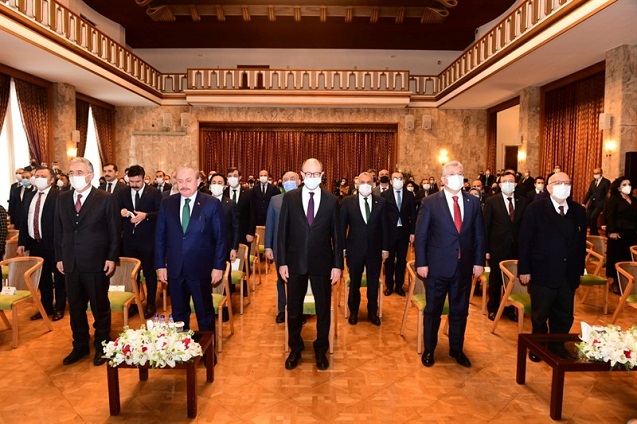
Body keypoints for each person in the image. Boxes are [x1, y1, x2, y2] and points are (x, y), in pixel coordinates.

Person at [414, 160, 485, 368]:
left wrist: (479, 261)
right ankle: (429, 349)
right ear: (443, 180)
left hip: (463, 268)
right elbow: (421, 236)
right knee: (433, 311)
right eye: (452, 174)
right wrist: (421, 263)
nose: (457, 177)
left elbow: (479, 235)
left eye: (460, 173)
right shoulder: (430, 202)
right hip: (436, 267)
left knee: (460, 311)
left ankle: (457, 349)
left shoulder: (473, 203)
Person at [278, 158, 343, 371]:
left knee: (323, 310)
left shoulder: (331, 201)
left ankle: (320, 349)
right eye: (308, 174)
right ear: (302, 175)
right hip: (294, 263)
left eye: (316, 174)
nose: (312, 178)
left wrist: (337, 265)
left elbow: (337, 236)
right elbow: (282, 233)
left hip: (322, 263)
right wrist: (282, 262)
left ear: (322, 175)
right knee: (294, 310)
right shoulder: (290, 198)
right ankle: (295, 348)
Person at [55, 157, 121, 366]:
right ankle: (80, 345)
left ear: (90, 175)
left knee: (100, 306)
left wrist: (111, 257)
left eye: (79, 172)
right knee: (75, 307)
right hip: (70, 262)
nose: (74, 176)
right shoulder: (62, 198)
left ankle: (102, 344)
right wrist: (59, 257)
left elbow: (114, 231)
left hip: (96, 262)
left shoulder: (105, 198)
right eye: (71, 173)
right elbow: (58, 230)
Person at [518, 171, 587, 361]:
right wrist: (524, 269)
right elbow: (525, 241)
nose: (563, 186)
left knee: (564, 314)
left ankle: (558, 345)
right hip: (543, 270)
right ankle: (538, 345)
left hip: (568, 272)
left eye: (567, 183)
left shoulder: (578, 211)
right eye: (558, 183)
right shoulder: (535, 209)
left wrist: (579, 269)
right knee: (540, 313)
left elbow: (581, 243)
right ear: (549, 187)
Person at [155, 167, 227, 335]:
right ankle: (181, 347)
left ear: (198, 181)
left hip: (201, 268)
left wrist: (218, 267)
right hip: (175, 269)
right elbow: (160, 236)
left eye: (188, 180)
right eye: (180, 181)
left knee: (204, 313)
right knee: (179, 314)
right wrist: (160, 265)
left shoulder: (211, 203)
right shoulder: (167, 203)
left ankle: (208, 348)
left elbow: (221, 238)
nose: (184, 185)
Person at [17, 166, 66, 321]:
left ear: (51, 180)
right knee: (42, 278)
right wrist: (21, 242)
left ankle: (60, 307)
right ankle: (46, 307)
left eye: (43, 176)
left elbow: (64, 223)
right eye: (36, 176)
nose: (38, 178)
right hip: (35, 243)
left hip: (54, 244)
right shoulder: (29, 196)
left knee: (59, 277)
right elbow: (24, 220)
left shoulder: (59, 196)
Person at [341, 172, 388, 326]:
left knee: (373, 283)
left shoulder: (381, 202)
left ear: (373, 184)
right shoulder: (348, 202)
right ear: (357, 184)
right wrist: (342, 248)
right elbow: (342, 227)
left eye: (369, 182)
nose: (366, 185)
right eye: (362, 182)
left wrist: (385, 248)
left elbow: (384, 226)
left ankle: (372, 312)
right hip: (354, 249)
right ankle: (353, 311)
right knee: (354, 282)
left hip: (375, 249)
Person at [116, 165, 163, 319]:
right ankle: (133, 303)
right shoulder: (122, 192)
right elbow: (115, 210)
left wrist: (146, 216)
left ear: (143, 178)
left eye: (137, 181)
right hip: (129, 240)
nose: (135, 184)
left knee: (149, 272)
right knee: (132, 274)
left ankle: (150, 303)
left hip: (148, 240)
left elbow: (161, 213)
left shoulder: (154, 193)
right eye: (132, 182)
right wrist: (121, 212)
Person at [482, 171, 528, 321]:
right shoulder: (492, 201)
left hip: (516, 248)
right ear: (500, 184)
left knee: (512, 280)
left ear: (515, 184)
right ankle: (493, 308)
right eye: (505, 181)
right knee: (496, 280)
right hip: (497, 247)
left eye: (511, 181)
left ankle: (510, 308)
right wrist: (486, 249)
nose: (508, 184)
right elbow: (486, 227)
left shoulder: (523, 201)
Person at [265, 171, 299, 324]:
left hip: (299, 248)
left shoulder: (305, 199)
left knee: (299, 281)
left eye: (292, 179)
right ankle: (282, 309)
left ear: (299, 181)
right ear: (282, 183)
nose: (289, 181)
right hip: (280, 248)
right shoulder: (275, 200)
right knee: (281, 279)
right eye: (286, 179)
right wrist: (268, 246)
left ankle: (298, 310)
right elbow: (270, 224)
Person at [382, 171, 416, 297]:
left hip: (404, 232)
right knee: (389, 260)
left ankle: (399, 286)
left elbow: (413, 215)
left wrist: (413, 232)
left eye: (400, 178)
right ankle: (389, 285)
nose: (398, 180)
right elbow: (382, 216)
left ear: (403, 181)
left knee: (401, 260)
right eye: (395, 178)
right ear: (391, 181)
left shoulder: (409, 195)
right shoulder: (385, 195)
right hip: (390, 233)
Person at [603, 177, 637, 293]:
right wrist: (611, 231)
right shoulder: (614, 200)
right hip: (618, 233)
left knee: (628, 258)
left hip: (631, 233)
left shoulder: (634, 200)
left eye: (629, 184)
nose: (628, 186)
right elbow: (610, 216)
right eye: (624, 184)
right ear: (618, 188)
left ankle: (628, 282)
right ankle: (616, 282)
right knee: (617, 257)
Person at [582, 168, 611, 236]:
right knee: (588, 217)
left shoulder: (606, 182)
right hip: (592, 203)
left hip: (600, 203)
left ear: (601, 173)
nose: (595, 175)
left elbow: (607, 194)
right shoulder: (593, 182)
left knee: (593, 217)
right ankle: (592, 233)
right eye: (594, 173)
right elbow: (589, 193)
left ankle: (594, 234)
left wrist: (605, 206)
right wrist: (584, 202)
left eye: (597, 173)